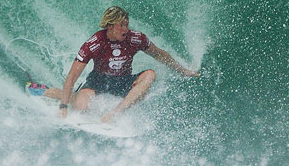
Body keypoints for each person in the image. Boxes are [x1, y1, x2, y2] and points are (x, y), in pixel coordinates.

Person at [27, 6, 199, 123]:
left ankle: (115, 113)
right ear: (110, 26)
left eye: (127, 25)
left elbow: (159, 54)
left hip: (123, 81)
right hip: (98, 81)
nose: (126, 29)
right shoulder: (95, 43)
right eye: (121, 25)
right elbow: (72, 76)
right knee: (80, 107)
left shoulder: (136, 39)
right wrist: (63, 107)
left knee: (150, 75)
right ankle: (50, 92)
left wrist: (183, 71)